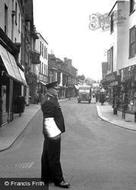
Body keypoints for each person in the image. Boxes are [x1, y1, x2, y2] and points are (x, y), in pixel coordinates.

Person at [41, 81, 70, 188]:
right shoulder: (49, 101)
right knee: (54, 156)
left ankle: (46, 178)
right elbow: (49, 118)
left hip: (50, 131)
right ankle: (58, 180)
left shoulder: (51, 98)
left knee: (47, 154)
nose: (57, 90)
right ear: (50, 90)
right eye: (55, 89)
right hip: (52, 131)